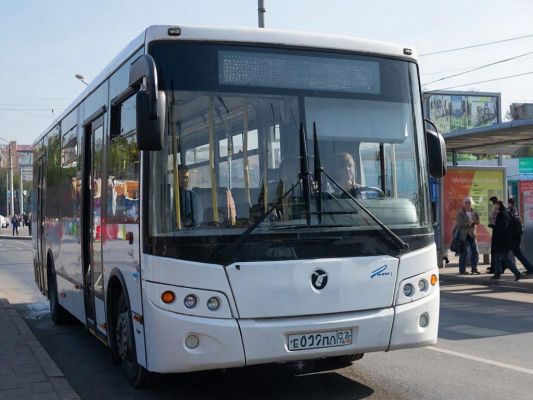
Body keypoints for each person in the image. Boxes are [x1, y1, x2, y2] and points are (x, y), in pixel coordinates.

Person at [491, 200, 521, 281]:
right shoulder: (505, 213)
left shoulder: (502, 214)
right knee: (501, 257)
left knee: (502, 257)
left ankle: (516, 273)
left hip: (502, 240)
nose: (495, 206)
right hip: (505, 240)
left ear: (499, 205)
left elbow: (503, 226)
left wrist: (493, 226)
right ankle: (498, 274)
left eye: (496, 205)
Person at [455, 197, 481, 274]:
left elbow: (478, 221)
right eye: (466, 202)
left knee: (475, 251)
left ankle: (474, 268)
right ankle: (462, 270)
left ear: (471, 203)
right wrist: (468, 224)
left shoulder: (474, 211)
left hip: (472, 234)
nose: (468, 204)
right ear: (464, 204)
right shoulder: (460, 212)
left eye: (469, 202)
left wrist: (474, 222)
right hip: (463, 235)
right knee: (464, 252)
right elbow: (459, 224)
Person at [508, 197, 533, 274]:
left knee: (516, 254)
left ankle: (530, 269)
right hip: (516, 236)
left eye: (508, 203)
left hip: (514, 237)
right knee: (515, 254)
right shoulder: (515, 211)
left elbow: (511, 225)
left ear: (510, 203)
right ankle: (529, 268)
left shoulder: (511, 211)